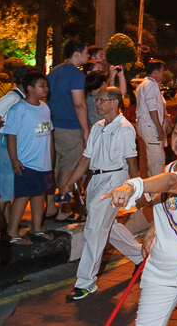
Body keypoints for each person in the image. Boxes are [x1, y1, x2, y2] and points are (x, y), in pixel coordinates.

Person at [102, 107, 177, 326]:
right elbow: (170, 205)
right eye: (176, 133)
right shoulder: (170, 167)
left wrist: (133, 185)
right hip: (160, 268)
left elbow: (172, 183)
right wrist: (155, 229)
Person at [64, 86, 144, 300]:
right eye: (97, 100)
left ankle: (86, 282)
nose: (96, 104)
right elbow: (86, 158)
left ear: (114, 103)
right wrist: (70, 183)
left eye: (101, 100)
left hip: (114, 180)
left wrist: (135, 188)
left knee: (94, 229)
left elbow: (131, 160)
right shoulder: (98, 126)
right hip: (96, 180)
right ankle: (140, 256)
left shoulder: (125, 128)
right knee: (105, 226)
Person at [5, 71, 54, 244]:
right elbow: (11, 135)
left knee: (39, 194)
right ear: (30, 88)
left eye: (46, 86)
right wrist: (14, 159)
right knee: (23, 196)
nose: (46, 89)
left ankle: (37, 228)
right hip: (26, 161)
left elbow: (49, 133)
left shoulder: (44, 107)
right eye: (41, 86)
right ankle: (12, 232)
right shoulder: (19, 109)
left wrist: (51, 158)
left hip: (43, 161)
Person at [46, 39, 89, 222]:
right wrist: (86, 129)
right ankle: (64, 210)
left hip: (52, 127)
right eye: (86, 52)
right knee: (69, 169)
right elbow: (79, 104)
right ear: (76, 54)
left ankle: (49, 208)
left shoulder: (53, 71)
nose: (88, 55)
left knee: (54, 168)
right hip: (70, 127)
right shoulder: (76, 74)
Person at [0, 66, 31, 225]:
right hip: (3, 144)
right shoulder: (12, 98)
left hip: (6, 144)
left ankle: (5, 224)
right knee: (5, 189)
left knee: (7, 190)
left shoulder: (18, 98)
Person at [136, 60, 169, 178]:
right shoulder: (151, 84)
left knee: (151, 159)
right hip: (150, 126)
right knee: (157, 160)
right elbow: (152, 108)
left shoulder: (143, 84)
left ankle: (151, 190)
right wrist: (159, 128)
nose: (163, 73)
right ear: (155, 72)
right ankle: (156, 193)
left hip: (146, 126)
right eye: (162, 71)